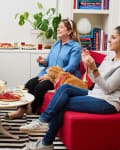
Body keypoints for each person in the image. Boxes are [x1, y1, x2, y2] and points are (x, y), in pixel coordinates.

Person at [20, 26, 120, 150]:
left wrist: (94, 68)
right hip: (95, 94)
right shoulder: (109, 57)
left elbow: (108, 88)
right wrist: (87, 65)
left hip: (108, 102)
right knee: (65, 88)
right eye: (110, 37)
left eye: (113, 38)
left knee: (61, 102)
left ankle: (46, 140)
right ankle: (43, 123)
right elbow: (95, 80)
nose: (109, 40)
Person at [6, 18, 82, 119]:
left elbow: (71, 67)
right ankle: (21, 110)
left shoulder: (75, 47)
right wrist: (43, 61)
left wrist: (50, 76)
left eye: (61, 27)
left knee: (40, 88)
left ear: (69, 31)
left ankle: (32, 109)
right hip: (47, 74)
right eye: (58, 27)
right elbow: (49, 61)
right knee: (30, 84)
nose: (58, 29)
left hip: (62, 78)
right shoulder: (56, 44)